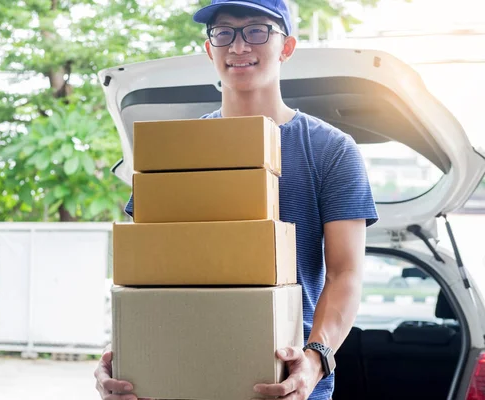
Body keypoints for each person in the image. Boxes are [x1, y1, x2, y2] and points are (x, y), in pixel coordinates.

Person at [95, 0, 379, 399]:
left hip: (288, 384)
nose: (239, 47)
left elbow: (345, 275)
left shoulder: (331, 150)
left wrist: (314, 363)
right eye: (224, 32)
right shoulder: (176, 151)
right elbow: (146, 275)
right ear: (210, 49)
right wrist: (122, 356)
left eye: (257, 31)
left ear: (287, 47)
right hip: (182, 378)